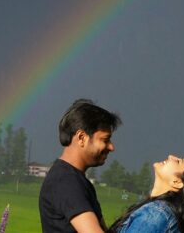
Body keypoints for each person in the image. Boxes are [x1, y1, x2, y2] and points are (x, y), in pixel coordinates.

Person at [40, 99, 122, 233]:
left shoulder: (75, 179)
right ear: (82, 137)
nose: (111, 147)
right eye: (105, 140)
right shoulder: (66, 181)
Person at [109, 155, 184, 233]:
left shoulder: (156, 214)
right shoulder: (163, 213)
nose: (171, 156)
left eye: (178, 162)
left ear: (177, 182)